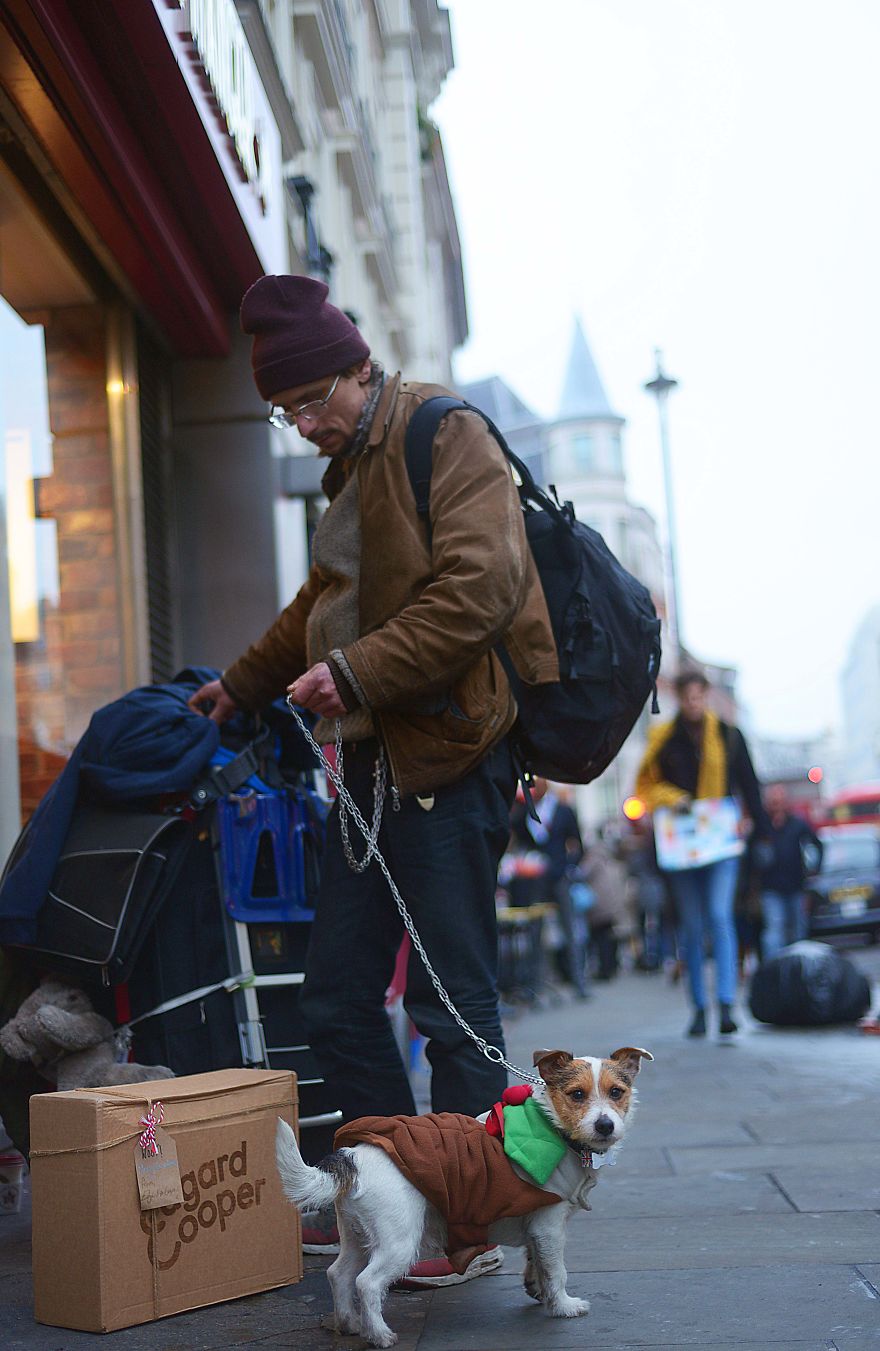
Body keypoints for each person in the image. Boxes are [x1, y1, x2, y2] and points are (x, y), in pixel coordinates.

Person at [187, 274, 557, 1280]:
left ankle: (471, 1220)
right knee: (340, 998)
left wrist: (350, 671)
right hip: (371, 768)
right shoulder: (350, 464)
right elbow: (324, 595)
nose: (301, 424)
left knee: (451, 1004)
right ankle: (392, 1195)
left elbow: (482, 586)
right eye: (284, 409)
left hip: (449, 761)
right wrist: (243, 683)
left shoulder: (446, 432)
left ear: (360, 367)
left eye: (312, 401)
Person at [634, 670, 766, 1039]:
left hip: (721, 841)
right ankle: (698, 1007)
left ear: (706, 696)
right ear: (679, 698)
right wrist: (675, 800)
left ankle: (725, 1004)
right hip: (681, 845)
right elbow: (646, 785)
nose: (694, 703)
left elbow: (749, 784)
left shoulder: (727, 735)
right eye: (688, 697)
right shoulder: (664, 739)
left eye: (699, 696)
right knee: (691, 925)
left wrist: (756, 826)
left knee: (721, 917)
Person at [509, 779, 588, 997]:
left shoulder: (563, 811)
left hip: (559, 876)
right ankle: (535, 985)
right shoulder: (523, 812)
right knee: (535, 932)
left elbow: (577, 843)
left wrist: (569, 866)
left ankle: (579, 981)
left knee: (570, 929)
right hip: (536, 880)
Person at [756, 783, 823, 959]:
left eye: (779, 801)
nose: (776, 805)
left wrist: (814, 871)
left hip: (796, 887)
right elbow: (751, 856)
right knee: (774, 931)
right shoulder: (760, 826)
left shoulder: (798, 825)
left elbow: (816, 846)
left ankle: (799, 970)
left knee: (799, 931)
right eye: (773, 802)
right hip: (770, 888)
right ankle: (774, 971)